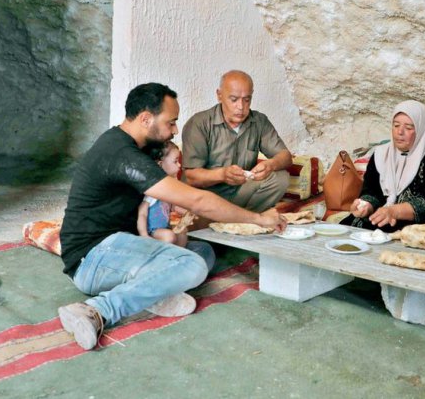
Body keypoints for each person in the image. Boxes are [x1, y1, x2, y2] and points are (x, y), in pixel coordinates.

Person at [58, 83, 286, 351]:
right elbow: (197, 199)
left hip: (123, 245)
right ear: (145, 119)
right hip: (92, 258)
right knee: (193, 266)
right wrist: (258, 218)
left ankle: (151, 293)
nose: (175, 130)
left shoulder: (138, 146)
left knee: (203, 251)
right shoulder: (122, 154)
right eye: (171, 122)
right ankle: (97, 310)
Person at [341, 100, 425, 233]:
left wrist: (394, 211)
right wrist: (366, 205)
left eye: (409, 127)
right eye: (396, 125)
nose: (400, 132)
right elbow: (372, 191)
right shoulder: (381, 154)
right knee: (348, 229)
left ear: (421, 130)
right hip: (387, 215)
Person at [181, 70, 293, 212]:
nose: (241, 107)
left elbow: (285, 156)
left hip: (240, 193)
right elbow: (191, 176)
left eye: (247, 100)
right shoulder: (199, 123)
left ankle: (243, 220)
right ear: (219, 95)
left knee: (280, 178)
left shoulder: (259, 121)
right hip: (205, 196)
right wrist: (222, 175)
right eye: (233, 99)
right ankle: (237, 217)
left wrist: (270, 165)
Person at [137, 141, 188, 247]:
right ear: (160, 164)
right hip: (154, 230)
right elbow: (142, 213)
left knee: (182, 231)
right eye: (175, 161)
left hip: (166, 227)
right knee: (169, 236)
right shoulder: (153, 189)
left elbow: (174, 207)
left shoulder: (169, 187)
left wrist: (189, 212)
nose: (179, 165)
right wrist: (144, 234)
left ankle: (178, 255)